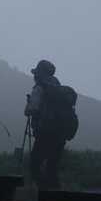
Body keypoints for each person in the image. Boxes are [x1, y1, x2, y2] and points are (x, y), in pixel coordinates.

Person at [24, 59, 76, 191]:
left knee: (34, 165)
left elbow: (31, 110)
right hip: (61, 133)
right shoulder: (59, 88)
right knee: (52, 167)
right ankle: (56, 195)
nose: (34, 76)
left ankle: (44, 192)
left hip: (45, 132)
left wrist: (28, 105)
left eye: (36, 73)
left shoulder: (40, 87)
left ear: (40, 73)